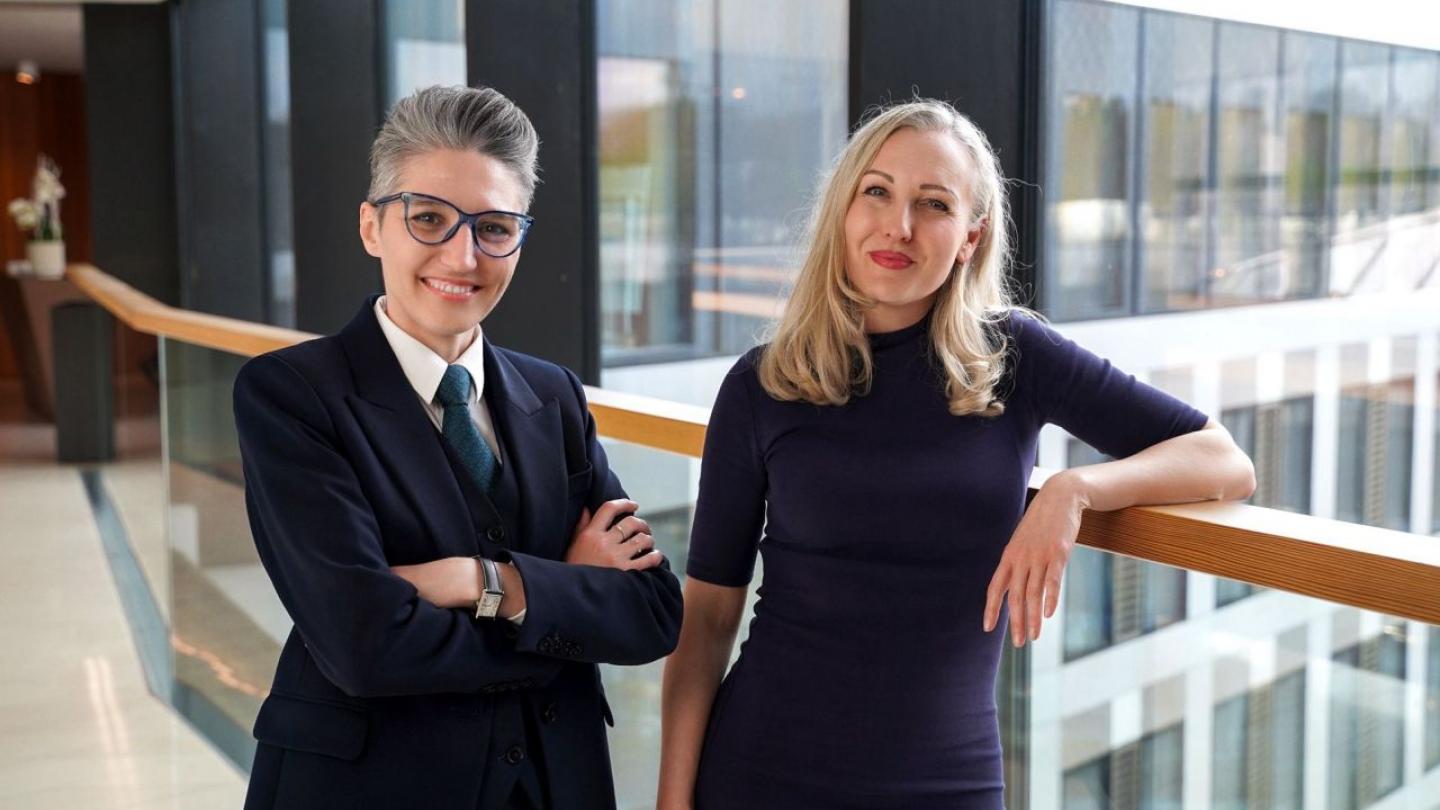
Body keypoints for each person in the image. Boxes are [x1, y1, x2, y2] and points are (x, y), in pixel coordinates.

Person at [657, 100, 1256, 809]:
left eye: (932, 203)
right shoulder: (763, 383)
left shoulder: (1016, 356)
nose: (897, 226)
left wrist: (1074, 490)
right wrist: (673, 798)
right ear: (844, 212)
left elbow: (1224, 462)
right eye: (875, 191)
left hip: (946, 780)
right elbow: (706, 623)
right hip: (764, 767)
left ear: (971, 236)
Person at [234, 85, 682, 810]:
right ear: (372, 226)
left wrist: (477, 582)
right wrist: (552, 592)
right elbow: (364, 645)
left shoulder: (555, 396)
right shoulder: (291, 395)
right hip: (370, 788)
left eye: (495, 226)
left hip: (556, 782)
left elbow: (651, 613)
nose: (463, 254)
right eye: (430, 219)